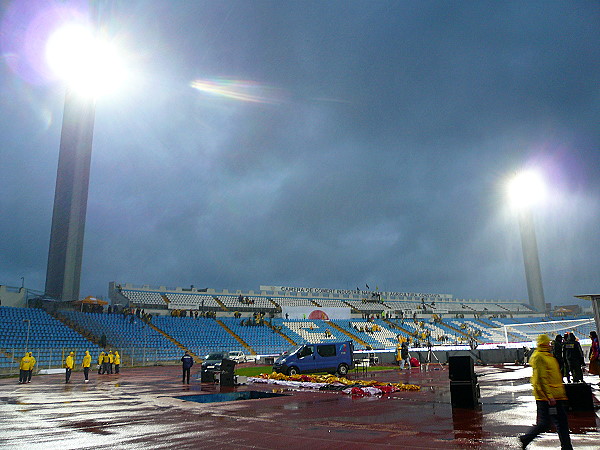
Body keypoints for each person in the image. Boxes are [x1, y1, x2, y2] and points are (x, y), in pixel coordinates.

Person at [519, 334, 572, 449]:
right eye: (548, 343)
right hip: (547, 397)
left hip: (555, 395)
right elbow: (541, 378)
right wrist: (549, 396)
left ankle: (567, 447)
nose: (550, 345)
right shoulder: (540, 357)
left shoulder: (547, 356)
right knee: (546, 424)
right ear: (543, 344)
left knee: (561, 423)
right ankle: (526, 438)